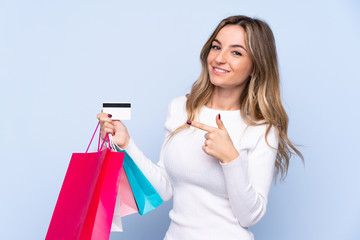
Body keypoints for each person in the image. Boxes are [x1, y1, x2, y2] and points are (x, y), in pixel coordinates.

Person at [97, 15, 303, 240]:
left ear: (255, 67)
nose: (220, 58)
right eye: (216, 47)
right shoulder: (180, 108)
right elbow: (165, 189)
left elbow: (250, 216)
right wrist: (127, 143)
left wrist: (230, 158)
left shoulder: (261, 128)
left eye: (236, 52)